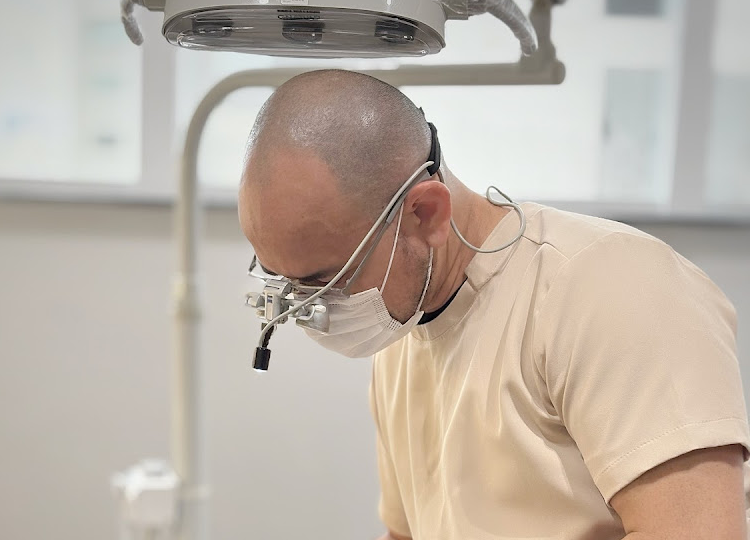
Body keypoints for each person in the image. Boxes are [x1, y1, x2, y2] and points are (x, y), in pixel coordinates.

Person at [237, 69, 750, 540]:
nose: (307, 311)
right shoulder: (400, 335)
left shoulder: (611, 289)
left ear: (425, 214)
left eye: (324, 282)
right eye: (283, 282)